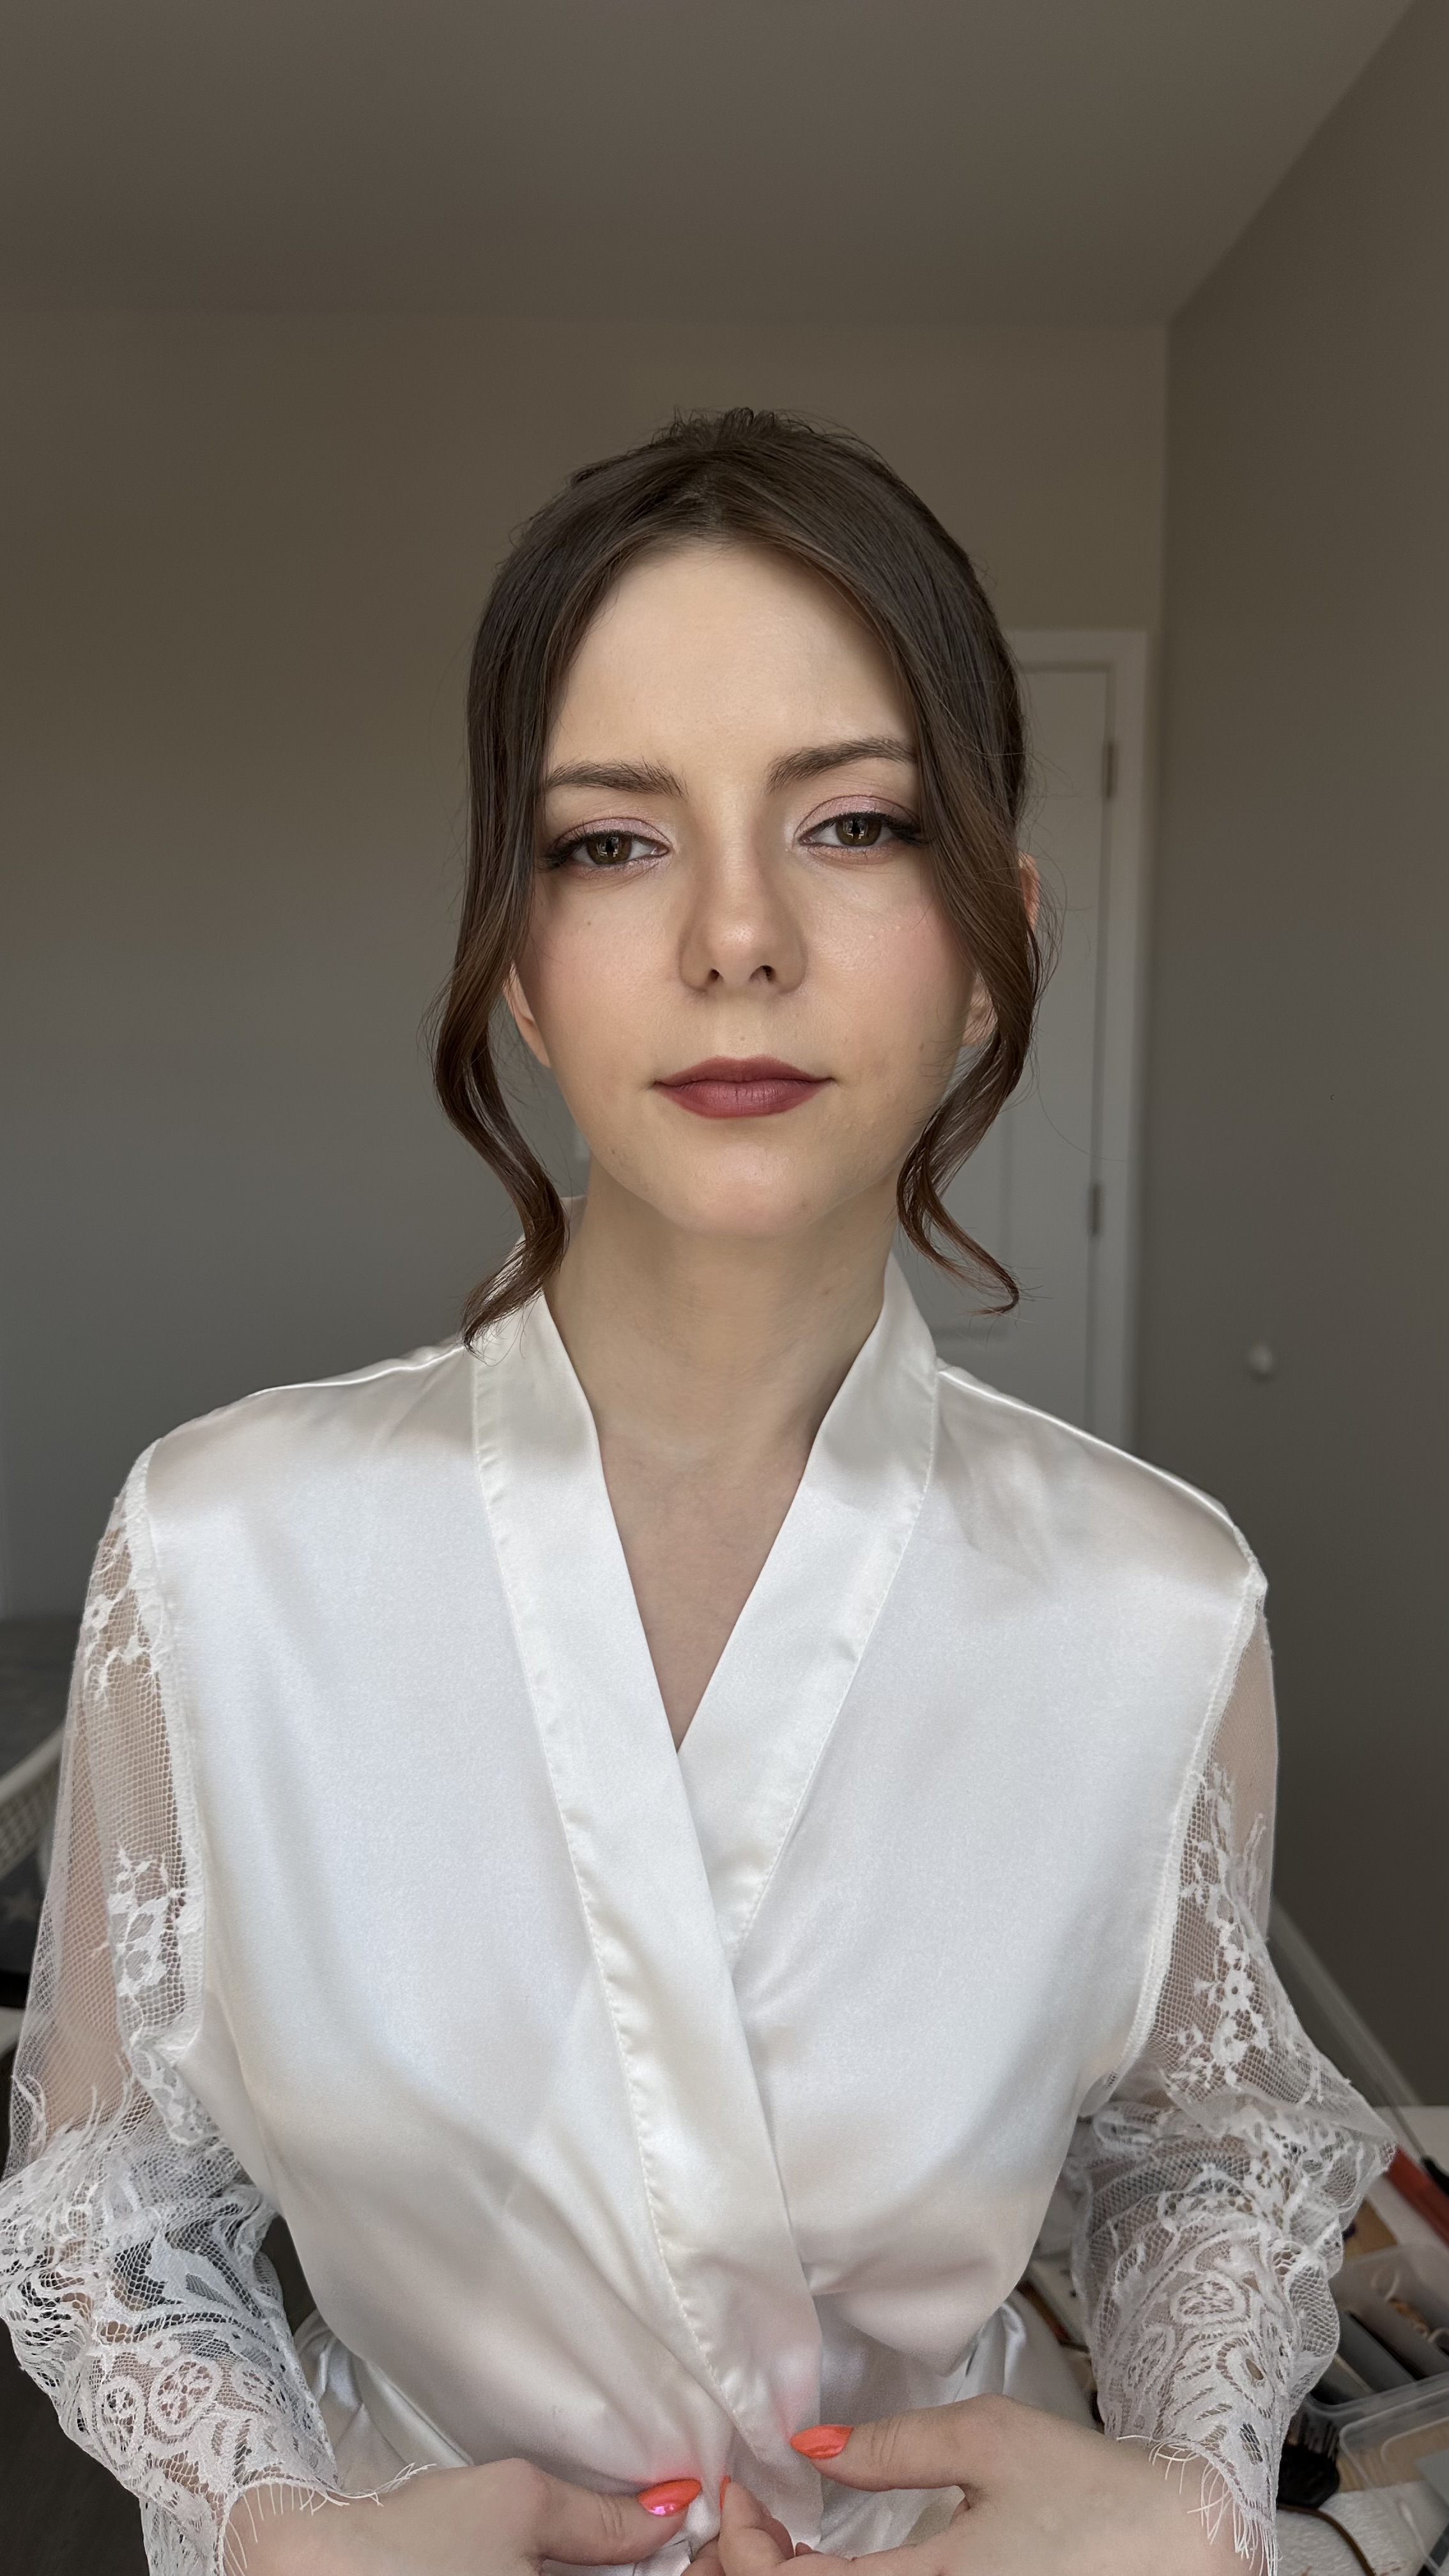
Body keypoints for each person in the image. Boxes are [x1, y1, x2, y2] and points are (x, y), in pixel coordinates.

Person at [0, 411, 1388, 2576]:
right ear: (519, 973)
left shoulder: (1153, 1608)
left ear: (994, 936)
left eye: (850, 823)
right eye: (610, 845)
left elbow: (1195, 2151)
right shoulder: (218, 1559)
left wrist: (1195, 2504)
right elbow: (109, 2200)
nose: (737, 937)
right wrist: (276, 2525)